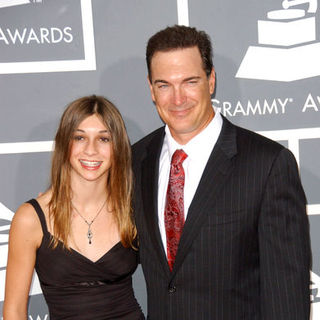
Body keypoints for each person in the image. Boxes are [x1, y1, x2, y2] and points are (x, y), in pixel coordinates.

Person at [132, 25, 311, 319]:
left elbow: (286, 292)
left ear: (211, 80)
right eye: (164, 85)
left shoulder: (267, 164)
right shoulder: (135, 160)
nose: (178, 99)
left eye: (190, 82)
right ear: (151, 89)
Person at [4, 95, 144, 320]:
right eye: (80, 137)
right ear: (64, 143)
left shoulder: (134, 209)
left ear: (117, 146)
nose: (91, 150)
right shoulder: (31, 219)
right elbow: (14, 312)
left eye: (104, 139)